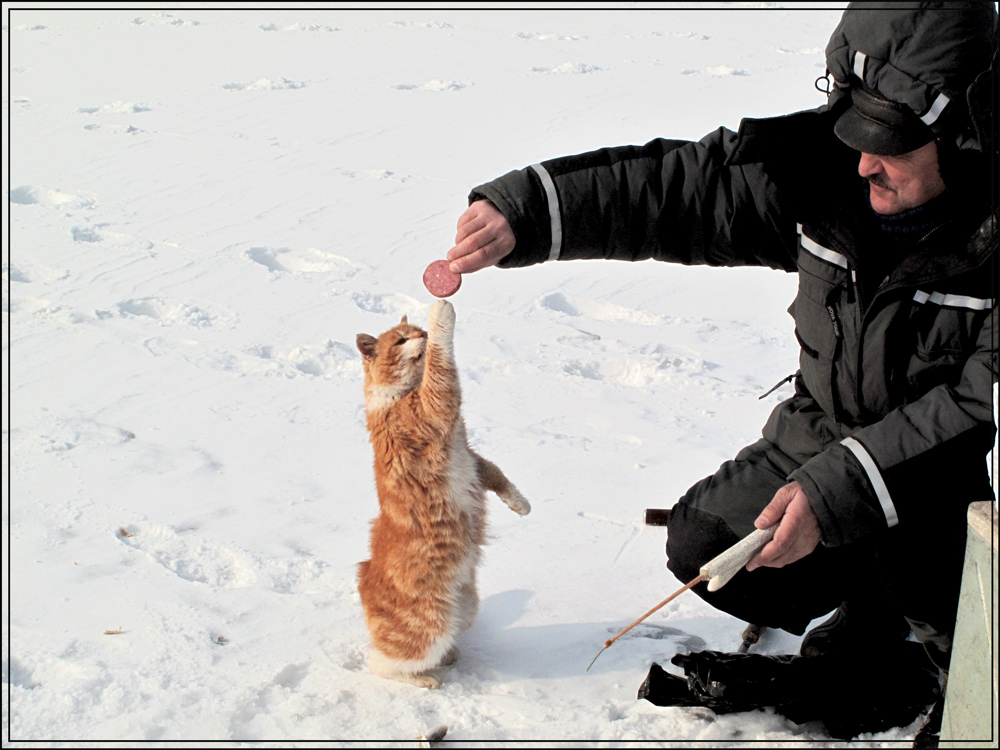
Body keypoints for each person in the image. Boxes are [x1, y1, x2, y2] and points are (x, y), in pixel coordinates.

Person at [446, 0, 997, 732]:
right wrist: (532, 210)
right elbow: (680, 191)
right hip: (823, 436)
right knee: (707, 542)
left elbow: (976, 399)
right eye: (855, 131)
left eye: (889, 142)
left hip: (941, 480)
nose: (863, 161)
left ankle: (949, 660)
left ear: (959, 136)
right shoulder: (826, 171)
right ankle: (873, 628)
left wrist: (844, 488)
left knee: (962, 629)